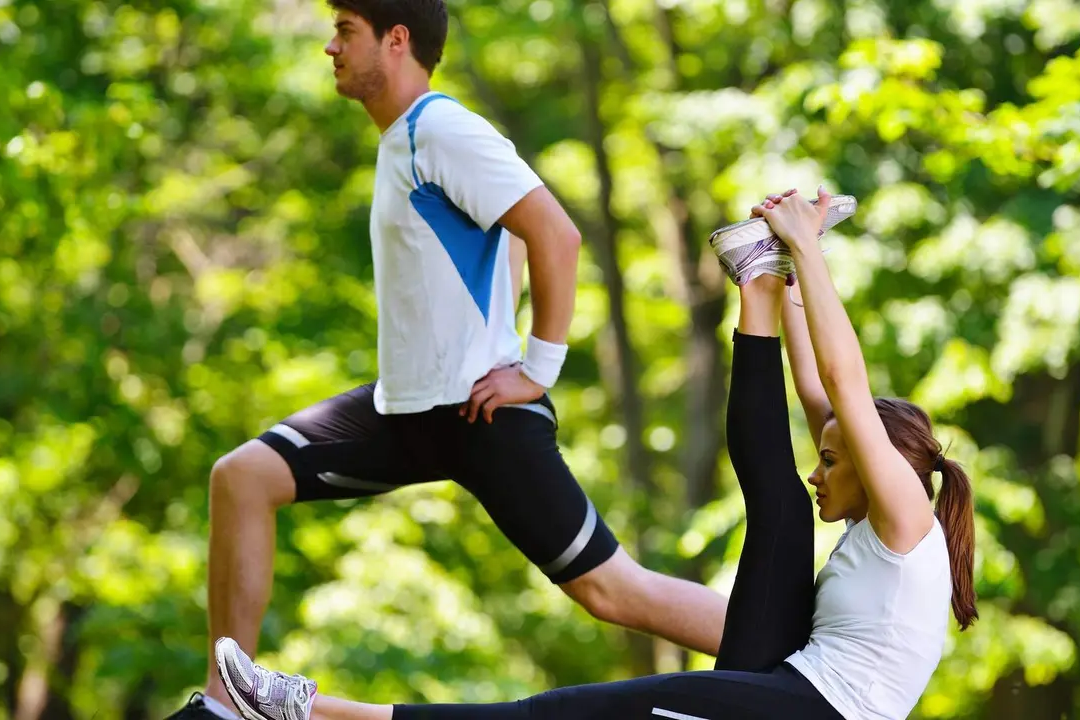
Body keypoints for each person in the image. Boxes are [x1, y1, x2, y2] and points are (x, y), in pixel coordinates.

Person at [167, 1, 771, 717]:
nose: (330, 47)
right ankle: (229, 701)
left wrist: (534, 370)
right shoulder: (402, 141)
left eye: (345, 31)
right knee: (242, 478)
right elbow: (505, 241)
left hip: (478, 415)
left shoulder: (441, 129)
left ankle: (798, 659)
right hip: (404, 411)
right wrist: (494, 331)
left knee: (611, 590)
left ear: (396, 40)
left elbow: (555, 234)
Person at [207, 186, 979, 720]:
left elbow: (844, 383)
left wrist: (808, 245)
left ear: (880, 468)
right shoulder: (880, 514)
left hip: (818, 711)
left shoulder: (905, 519)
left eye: (834, 461)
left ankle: (305, 711)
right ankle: (757, 283)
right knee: (776, 500)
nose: (819, 467)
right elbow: (815, 389)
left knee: (564, 715)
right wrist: (789, 281)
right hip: (789, 675)